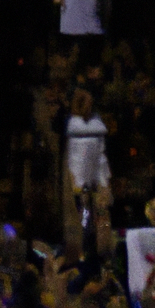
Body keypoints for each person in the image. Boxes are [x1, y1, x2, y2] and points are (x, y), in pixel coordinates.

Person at [63, 89, 112, 263]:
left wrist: (104, 185)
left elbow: (100, 158)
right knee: (82, 222)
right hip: (77, 188)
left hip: (94, 188)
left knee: (96, 222)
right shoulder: (72, 128)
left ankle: (98, 258)